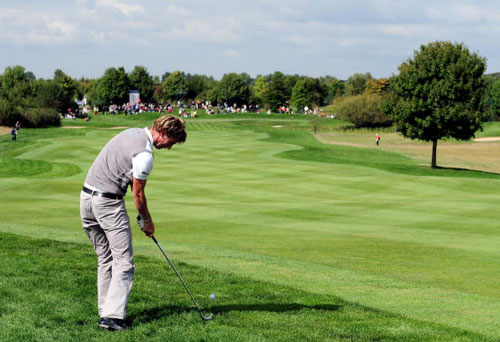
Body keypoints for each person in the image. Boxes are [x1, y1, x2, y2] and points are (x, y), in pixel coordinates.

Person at [80, 115, 186, 331]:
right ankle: (113, 318)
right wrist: (148, 221)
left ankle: (105, 311)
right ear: (164, 133)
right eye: (171, 142)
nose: (169, 147)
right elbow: (138, 195)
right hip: (107, 203)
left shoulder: (130, 133)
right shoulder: (145, 155)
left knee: (106, 257)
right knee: (123, 261)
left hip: (86, 199)